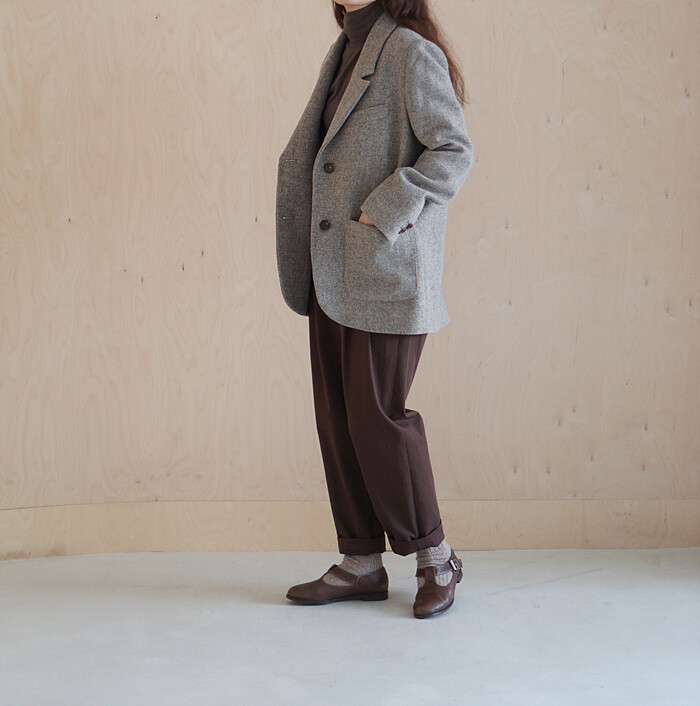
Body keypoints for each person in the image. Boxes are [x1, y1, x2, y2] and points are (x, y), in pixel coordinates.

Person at [275, 0, 474, 618]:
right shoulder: (344, 50)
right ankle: (360, 561)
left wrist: (386, 207)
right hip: (331, 269)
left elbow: (453, 149)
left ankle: (436, 558)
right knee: (338, 418)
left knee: (377, 416)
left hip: (382, 268)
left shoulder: (410, 51)